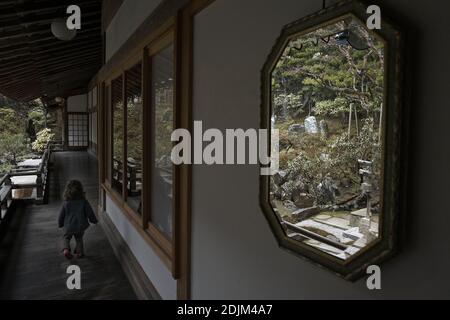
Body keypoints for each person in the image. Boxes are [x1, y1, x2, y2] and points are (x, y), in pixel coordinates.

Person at [58, 180, 98, 259]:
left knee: (66, 237)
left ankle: (66, 249)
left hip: (68, 226)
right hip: (80, 225)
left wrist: (60, 223)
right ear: (81, 190)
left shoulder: (66, 203)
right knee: (79, 239)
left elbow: (61, 215)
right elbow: (90, 212)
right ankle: (79, 253)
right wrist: (94, 220)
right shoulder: (84, 202)